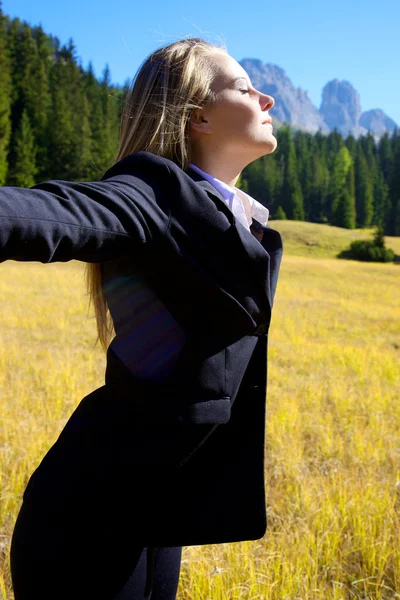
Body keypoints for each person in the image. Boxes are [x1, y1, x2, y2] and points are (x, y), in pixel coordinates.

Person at [0, 38, 283, 599]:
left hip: (159, 507)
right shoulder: (153, 191)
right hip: (89, 516)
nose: (267, 98)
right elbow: (59, 213)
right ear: (198, 115)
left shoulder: (235, 219)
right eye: (246, 88)